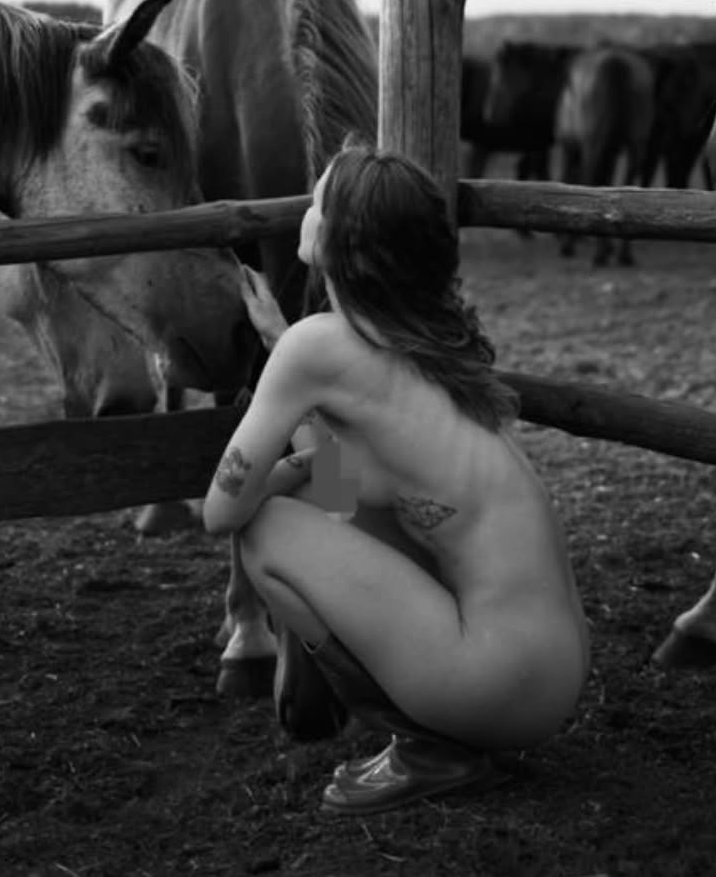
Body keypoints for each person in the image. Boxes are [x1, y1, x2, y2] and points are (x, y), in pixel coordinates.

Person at [204, 143, 590, 817]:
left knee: (265, 530)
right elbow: (344, 498)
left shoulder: (317, 347)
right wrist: (280, 346)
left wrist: (285, 445)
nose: (306, 210)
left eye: (317, 202)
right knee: (325, 519)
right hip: (547, 676)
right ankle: (442, 740)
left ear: (337, 239)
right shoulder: (425, 346)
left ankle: (427, 749)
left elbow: (219, 511)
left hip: (495, 677)